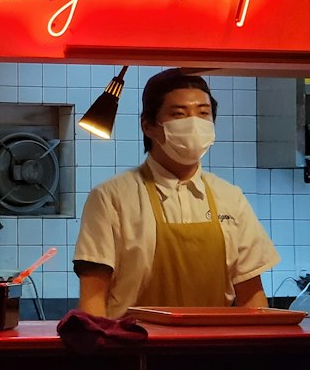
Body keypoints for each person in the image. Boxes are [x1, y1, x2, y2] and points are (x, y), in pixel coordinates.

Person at [73, 68, 279, 319]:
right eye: (179, 114)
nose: (194, 123)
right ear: (148, 126)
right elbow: (93, 300)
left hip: (213, 351)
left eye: (204, 114)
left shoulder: (231, 198)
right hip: (135, 352)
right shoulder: (111, 197)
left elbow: (252, 297)